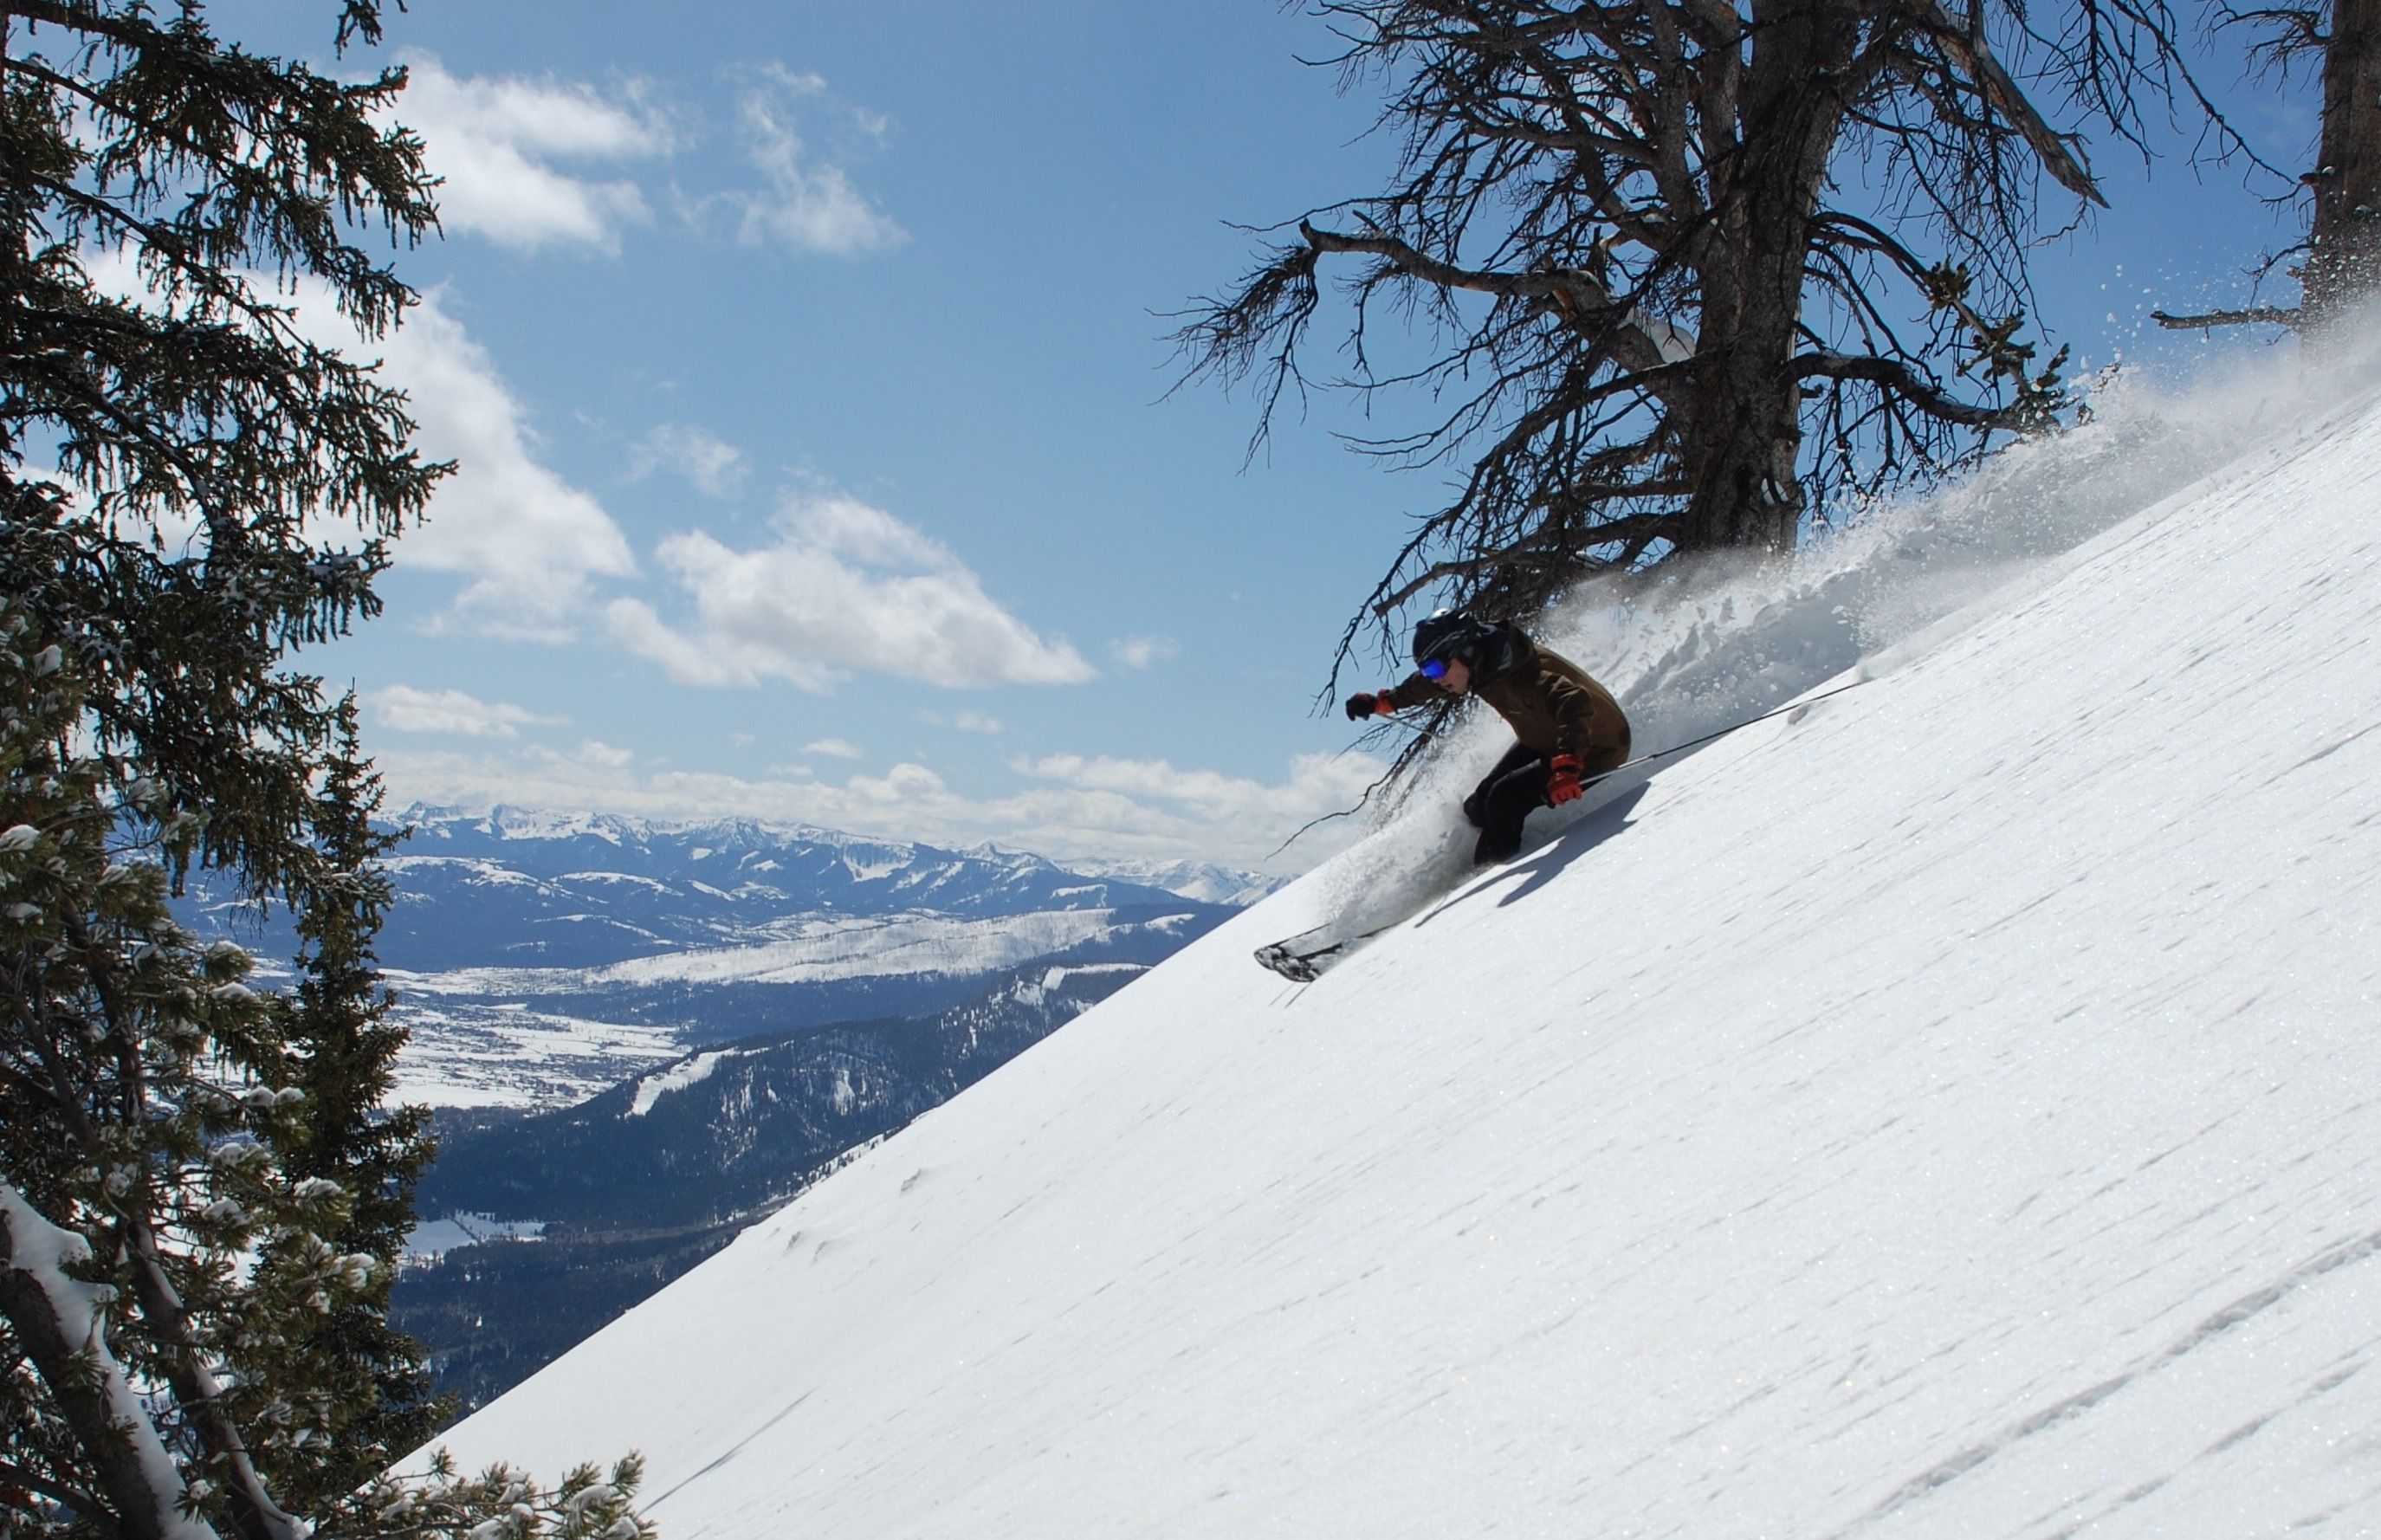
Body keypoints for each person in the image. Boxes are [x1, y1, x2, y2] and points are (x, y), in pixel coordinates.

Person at [1345, 611, 1632, 864]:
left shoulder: (1524, 673)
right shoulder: (1482, 667)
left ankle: (1488, 879)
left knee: (1503, 800)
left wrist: (1568, 765)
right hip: (1544, 738)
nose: (1434, 679)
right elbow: (1426, 686)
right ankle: (1503, 847)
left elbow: (1575, 701)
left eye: (1434, 669)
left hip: (1596, 746)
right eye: (1426, 670)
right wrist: (1385, 702)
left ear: (1465, 651)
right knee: (1478, 807)